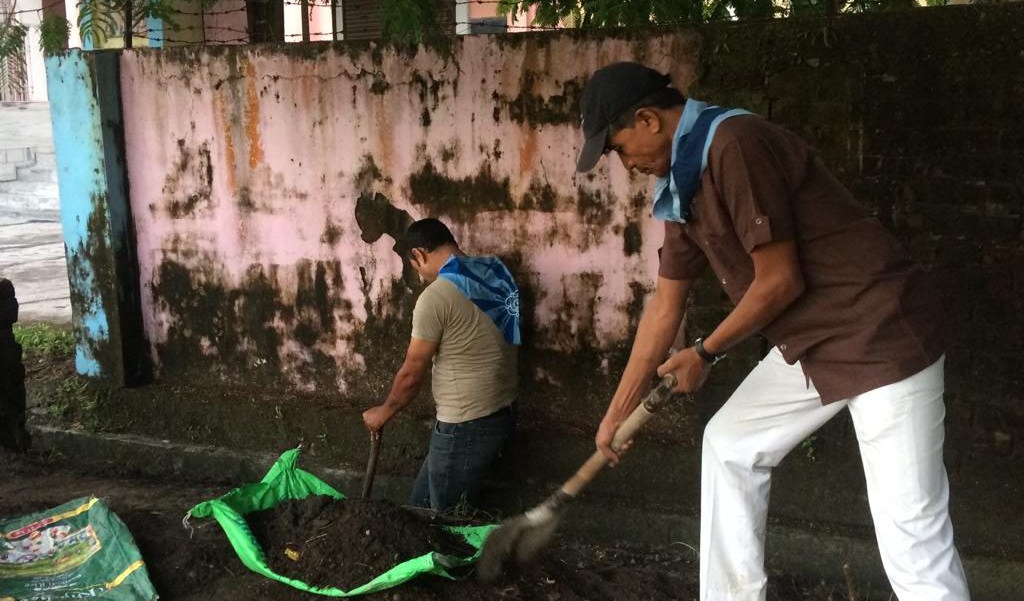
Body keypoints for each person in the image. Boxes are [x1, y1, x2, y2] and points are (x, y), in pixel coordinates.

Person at [578, 62, 970, 600]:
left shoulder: (734, 145)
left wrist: (704, 352)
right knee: (730, 445)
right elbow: (665, 307)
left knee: (911, 532)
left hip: (879, 335)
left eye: (619, 149)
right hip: (814, 342)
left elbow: (780, 281)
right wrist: (617, 413)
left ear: (648, 119)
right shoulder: (682, 180)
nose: (626, 165)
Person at [362, 218, 520, 512]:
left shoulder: (436, 297)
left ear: (419, 254)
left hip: (464, 424)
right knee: (420, 507)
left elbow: (412, 374)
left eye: (415, 267)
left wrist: (383, 412)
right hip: (501, 412)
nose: (420, 275)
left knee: (446, 521)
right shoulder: (497, 271)